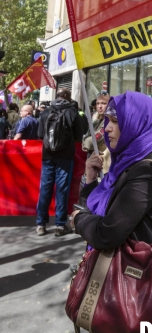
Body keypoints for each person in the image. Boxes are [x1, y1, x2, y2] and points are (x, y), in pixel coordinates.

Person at [71, 91, 152, 333]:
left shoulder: (144, 172)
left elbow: (107, 233)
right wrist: (90, 181)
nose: (107, 128)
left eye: (116, 121)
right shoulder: (122, 165)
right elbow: (101, 212)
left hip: (130, 295)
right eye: (107, 120)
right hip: (112, 287)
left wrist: (78, 220)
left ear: (139, 123)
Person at [36, 89, 84, 236]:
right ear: (68, 98)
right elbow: (79, 135)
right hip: (65, 156)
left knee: (45, 188)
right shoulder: (72, 112)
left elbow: (39, 134)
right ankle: (60, 225)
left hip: (48, 156)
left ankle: (41, 224)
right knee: (62, 189)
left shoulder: (45, 112)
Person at [82, 93, 111, 173]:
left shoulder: (109, 121)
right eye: (98, 103)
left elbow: (92, 142)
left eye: (103, 103)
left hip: (104, 165)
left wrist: (85, 140)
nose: (100, 106)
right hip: (96, 163)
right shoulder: (97, 120)